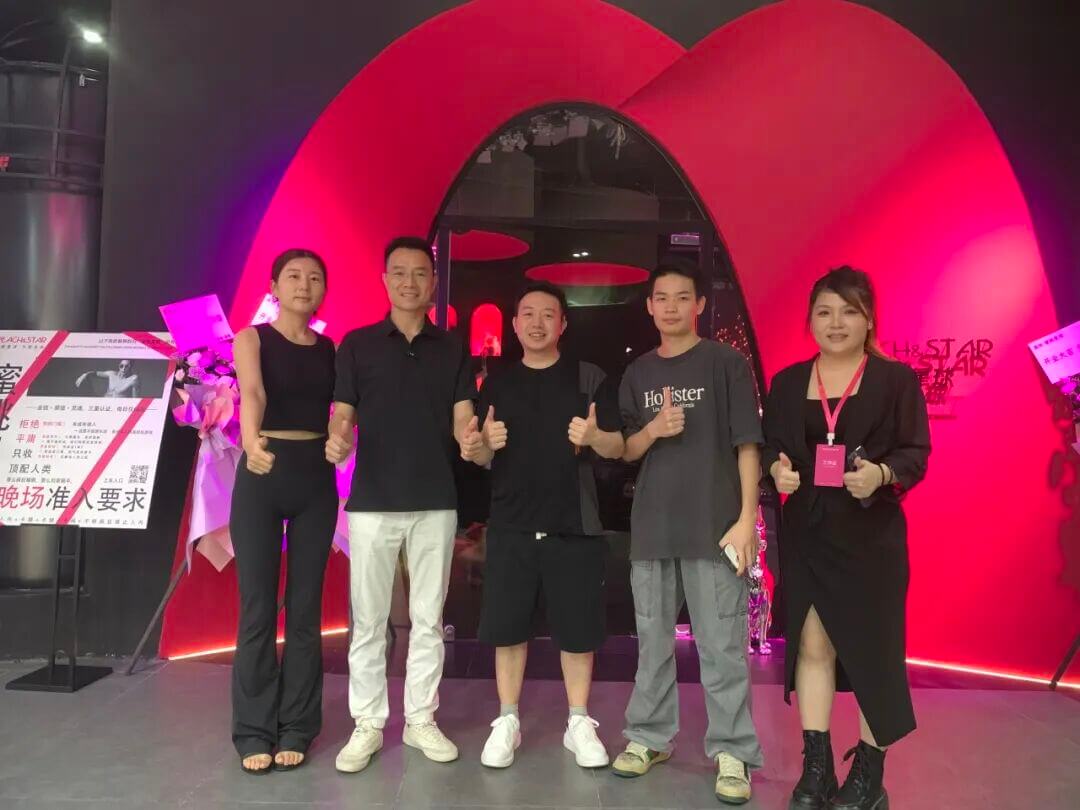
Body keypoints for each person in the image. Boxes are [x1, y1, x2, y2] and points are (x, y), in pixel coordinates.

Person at [762, 266, 930, 810]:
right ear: (810, 320)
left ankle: (869, 777)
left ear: (868, 319)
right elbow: (771, 447)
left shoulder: (895, 381)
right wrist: (777, 470)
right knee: (813, 645)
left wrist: (880, 474)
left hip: (870, 536)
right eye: (824, 312)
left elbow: (915, 453)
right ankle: (817, 769)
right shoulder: (788, 382)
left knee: (873, 654)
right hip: (808, 534)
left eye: (848, 312)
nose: (835, 323)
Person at [612, 258, 764, 805]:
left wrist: (746, 520)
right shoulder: (638, 373)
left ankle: (733, 750)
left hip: (714, 526)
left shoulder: (726, 364)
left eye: (682, 297)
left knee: (722, 646)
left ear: (699, 305)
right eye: (662, 298)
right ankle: (649, 737)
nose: (671, 307)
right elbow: (628, 449)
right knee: (652, 643)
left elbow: (748, 445)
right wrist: (654, 429)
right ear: (649, 306)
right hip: (653, 526)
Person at [459, 281, 625, 770]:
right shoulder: (498, 383)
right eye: (527, 314)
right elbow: (481, 456)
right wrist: (481, 444)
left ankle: (579, 722)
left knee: (578, 631)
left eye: (548, 314)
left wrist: (594, 437)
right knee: (508, 628)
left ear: (563, 324)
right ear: (514, 325)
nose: (537, 323)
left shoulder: (588, 376)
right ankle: (507, 719)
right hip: (511, 523)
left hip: (574, 524)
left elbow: (618, 446)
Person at [328, 236, 476, 774]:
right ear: (385, 280)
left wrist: (471, 439)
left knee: (428, 619)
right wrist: (338, 438)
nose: (409, 282)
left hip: (436, 500)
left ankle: (420, 719)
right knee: (369, 620)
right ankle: (368, 722)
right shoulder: (358, 344)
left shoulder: (452, 348)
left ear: (433, 282)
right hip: (372, 502)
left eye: (419, 273)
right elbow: (343, 412)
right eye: (399, 272)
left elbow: (463, 415)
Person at [229, 248, 337, 774]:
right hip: (263, 471)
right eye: (293, 276)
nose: (304, 285)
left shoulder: (330, 348)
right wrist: (251, 441)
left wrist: (343, 437)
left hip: (315, 477)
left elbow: (341, 411)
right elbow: (252, 392)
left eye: (314, 278)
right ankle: (253, 729)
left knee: (305, 609)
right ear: (274, 286)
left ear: (323, 290)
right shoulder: (251, 338)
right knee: (257, 608)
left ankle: (297, 725)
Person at [76, 359, 140, 397]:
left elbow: (135, 400)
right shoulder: (112, 374)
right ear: (119, 366)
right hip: (105, 404)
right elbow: (94, 373)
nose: (123, 368)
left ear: (130, 367)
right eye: (121, 366)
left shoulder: (133, 379)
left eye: (126, 366)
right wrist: (85, 374)